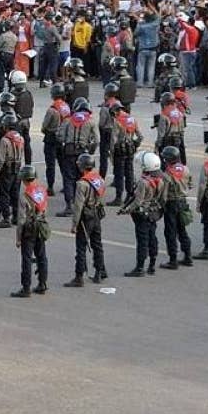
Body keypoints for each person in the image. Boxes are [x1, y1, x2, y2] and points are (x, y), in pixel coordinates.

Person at [120, 152, 166, 277]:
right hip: (153, 213)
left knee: (142, 241)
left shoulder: (143, 182)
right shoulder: (160, 180)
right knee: (152, 238)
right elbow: (162, 198)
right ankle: (152, 265)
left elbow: (137, 201)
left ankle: (140, 267)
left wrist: (127, 210)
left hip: (142, 214)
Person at [66, 154, 108, 287]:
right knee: (97, 245)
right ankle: (99, 272)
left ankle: (79, 277)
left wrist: (74, 224)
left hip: (85, 217)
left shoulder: (81, 184)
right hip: (96, 214)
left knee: (81, 248)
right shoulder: (99, 179)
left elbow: (78, 206)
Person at [56, 97, 98, 217]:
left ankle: (69, 205)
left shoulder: (68, 120)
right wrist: (90, 151)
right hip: (83, 153)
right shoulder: (91, 121)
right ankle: (84, 203)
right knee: (83, 178)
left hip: (69, 152)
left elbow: (60, 136)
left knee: (68, 179)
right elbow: (96, 140)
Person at [13, 165, 50, 296]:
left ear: (24, 179)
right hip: (40, 226)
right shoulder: (42, 191)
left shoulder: (24, 196)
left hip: (29, 229)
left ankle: (26, 287)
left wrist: (18, 238)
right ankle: (42, 283)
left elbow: (21, 219)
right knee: (41, 256)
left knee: (27, 258)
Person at [158, 146, 193, 269]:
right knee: (182, 230)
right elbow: (191, 184)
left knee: (170, 232)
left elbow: (164, 193)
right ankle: (188, 256)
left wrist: (160, 205)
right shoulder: (185, 169)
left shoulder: (168, 173)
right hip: (183, 202)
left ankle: (173, 260)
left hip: (171, 203)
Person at [107, 102, 143, 206]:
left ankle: (118, 198)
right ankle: (130, 195)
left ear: (115, 112)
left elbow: (113, 140)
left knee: (119, 174)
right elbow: (140, 136)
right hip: (130, 149)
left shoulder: (117, 121)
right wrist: (135, 145)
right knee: (129, 172)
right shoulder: (132, 119)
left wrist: (111, 153)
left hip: (120, 151)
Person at [40, 84, 70, 196]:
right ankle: (66, 184)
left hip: (51, 138)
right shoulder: (66, 107)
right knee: (63, 164)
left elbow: (44, 126)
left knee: (50, 165)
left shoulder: (52, 110)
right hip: (63, 138)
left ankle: (50, 187)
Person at [9, 70, 35, 165]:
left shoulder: (13, 95)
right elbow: (31, 105)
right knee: (27, 143)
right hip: (26, 121)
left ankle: (16, 164)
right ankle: (28, 164)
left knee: (16, 145)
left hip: (17, 122)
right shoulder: (28, 93)